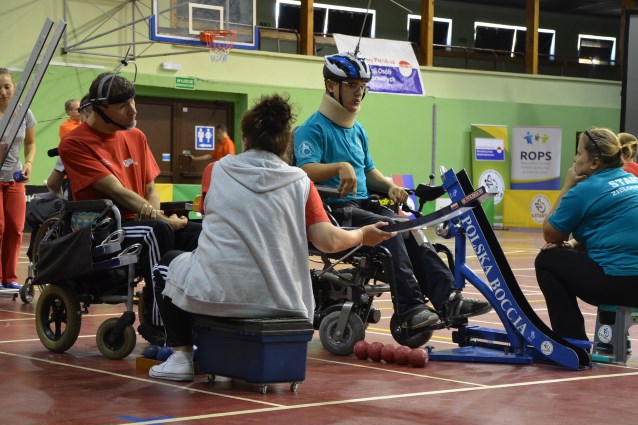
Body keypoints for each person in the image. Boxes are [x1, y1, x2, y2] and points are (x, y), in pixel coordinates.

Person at [148, 93, 395, 381]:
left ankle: (181, 356)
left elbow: (208, 214)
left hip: (217, 297)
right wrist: (364, 234)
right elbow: (328, 241)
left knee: (166, 264)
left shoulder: (215, 171)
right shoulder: (301, 182)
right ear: (285, 145)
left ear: (245, 139)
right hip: (285, 305)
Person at [293, 52, 491, 331]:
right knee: (390, 229)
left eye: (363, 86)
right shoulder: (312, 129)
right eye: (352, 85)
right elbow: (304, 170)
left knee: (411, 228)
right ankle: (410, 309)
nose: (359, 92)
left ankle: (448, 300)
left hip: (365, 204)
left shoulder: (358, 130)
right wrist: (339, 167)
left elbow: (369, 172)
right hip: (336, 212)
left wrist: (390, 187)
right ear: (330, 86)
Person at [58, 72, 201, 344]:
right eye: (123, 105)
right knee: (155, 232)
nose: (133, 109)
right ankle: (162, 329)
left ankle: (196, 317)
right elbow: (117, 191)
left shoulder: (136, 136)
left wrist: (159, 215)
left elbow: (150, 189)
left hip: (144, 219)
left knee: (198, 232)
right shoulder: (74, 143)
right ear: (101, 109)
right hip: (105, 226)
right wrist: (161, 220)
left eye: (133, 100)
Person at [535, 127, 638, 340]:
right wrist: (575, 244)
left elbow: (551, 235)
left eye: (579, 152)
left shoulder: (583, 190)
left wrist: (567, 186)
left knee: (547, 259)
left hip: (620, 286)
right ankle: (611, 339)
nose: (574, 158)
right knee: (594, 255)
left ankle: (572, 341)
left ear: (594, 162)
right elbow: (613, 232)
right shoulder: (633, 181)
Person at [0, 67, 36, 290]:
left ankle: (9, 278)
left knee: (15, 228)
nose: (3, 92)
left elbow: (31, 143)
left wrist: (29, 163)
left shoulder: (25, 113)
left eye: (7, 86)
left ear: (15, 87)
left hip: (15, 178)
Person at [47, 95, 93, 198]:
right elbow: (81, 135)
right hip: (69, 174)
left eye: (82, 108)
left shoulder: (82, 123)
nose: (80, 111)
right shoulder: (66, 126)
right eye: (78, 109)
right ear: (69, 111)